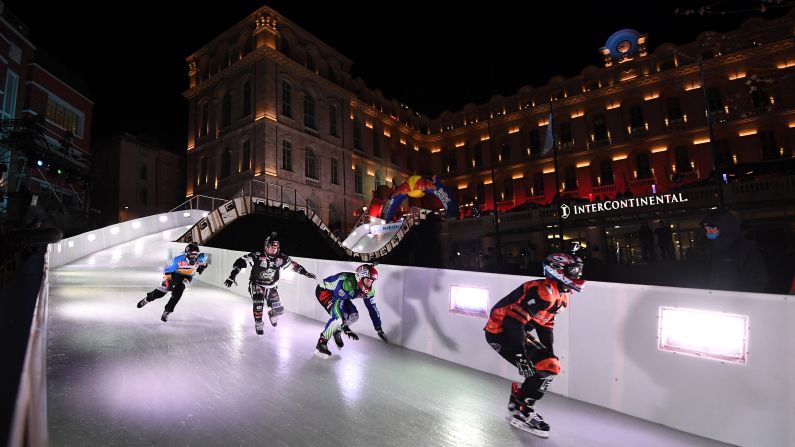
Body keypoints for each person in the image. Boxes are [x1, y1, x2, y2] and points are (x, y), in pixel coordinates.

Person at [484, 252, 585, 438]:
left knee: (549, 364)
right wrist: (520, 355)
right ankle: (522, 409)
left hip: (514, 331)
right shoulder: (543, 292)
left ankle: (518, 404)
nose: (577, 274)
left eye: (578, 270)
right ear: (557, 270)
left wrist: (549, 351)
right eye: (573, 270)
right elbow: (513, 323)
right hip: (499, 332)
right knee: (548, 366)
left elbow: (545, 323)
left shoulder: (560, 294)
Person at [223, 233, 315, 334]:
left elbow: (293, 266)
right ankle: (258, 323)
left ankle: (272, 312)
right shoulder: (257, 255)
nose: (273, 250)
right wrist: (232, 275)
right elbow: (241, 262)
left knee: (277, 311)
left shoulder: (281, 258)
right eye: (271, 248)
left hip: (271, 286)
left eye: (275, 248)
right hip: (257, 284)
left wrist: (305, 272)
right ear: (266, 247)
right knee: (258, 302)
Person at [313, 264, 388, 359]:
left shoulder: (369, 290)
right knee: (338, 319)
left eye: (372, 281)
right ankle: (321, 343)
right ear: (360, 278)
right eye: (367, 280)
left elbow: (372, 308)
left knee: (354, 316)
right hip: (325, 291)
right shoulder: (347, 284)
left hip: (342, 296)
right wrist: (345, 327)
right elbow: (337, 306)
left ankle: (336, 331)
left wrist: (379, 328)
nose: (369, 284)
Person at [137, 242, 209, 322]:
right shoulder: (177, 260)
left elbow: (205, 261)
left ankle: (168, 310)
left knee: (178, 291)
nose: (194, 257)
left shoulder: (201, 258)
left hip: (187, 277)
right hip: (174, 275)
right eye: (192, 254)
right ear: (187, 253)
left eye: (196, 254)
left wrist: (203, 266)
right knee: (160, 293)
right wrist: (168, 281)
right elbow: (167, 272)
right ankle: (148, 298)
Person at [700, 211, 768, 293]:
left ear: (724, 227)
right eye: (707, 230)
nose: (708, 233)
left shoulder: (745, 247)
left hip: (739, 301)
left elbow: (756, 279)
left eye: (711, 229)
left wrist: (738, 299)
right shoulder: (713, 250)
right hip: (717, 301)